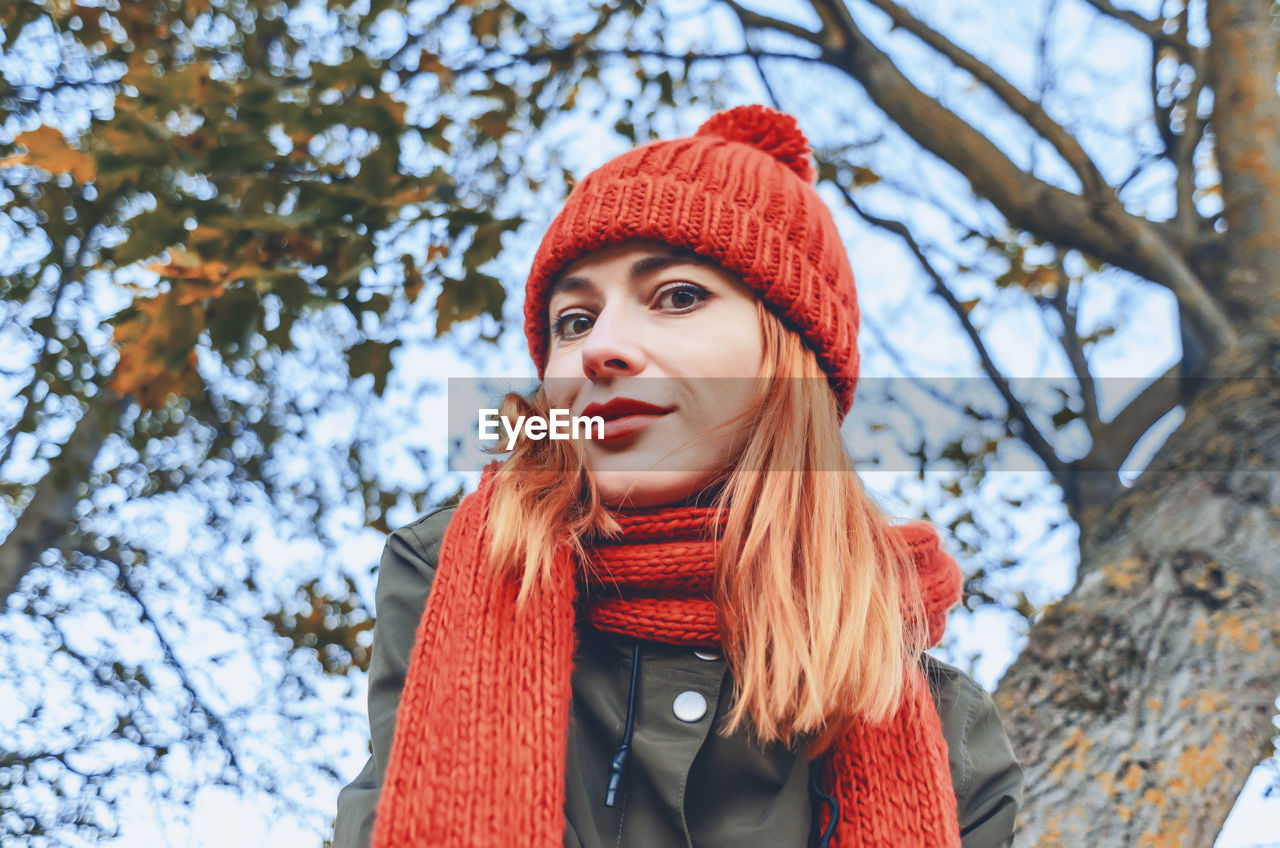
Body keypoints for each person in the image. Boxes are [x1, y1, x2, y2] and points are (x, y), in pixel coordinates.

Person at [332, 104, 1024, 848]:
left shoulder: (951, 733)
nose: (603, 348)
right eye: (574, 321)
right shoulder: (443, 573)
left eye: (679, 296)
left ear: (791, 362)